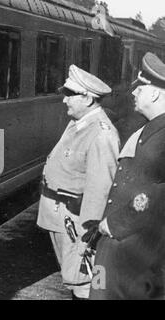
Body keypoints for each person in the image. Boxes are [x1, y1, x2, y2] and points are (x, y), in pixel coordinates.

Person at [37, 65, 120, 299]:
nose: (64, 100)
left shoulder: (101, 134)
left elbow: (101, 191)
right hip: (61, 219)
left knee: (85, 284)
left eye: (70, 94)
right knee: (74, 280)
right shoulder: (78, 122)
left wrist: (88, 237)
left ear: (88, 98)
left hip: (78, 225)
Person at [90, 52, 165, 300]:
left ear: (154, 93)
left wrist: (113, 224)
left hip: (132, 254)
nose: (133, 93)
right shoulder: (151, 129)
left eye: (140, 89)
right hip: (125, 249)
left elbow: (154, 196)